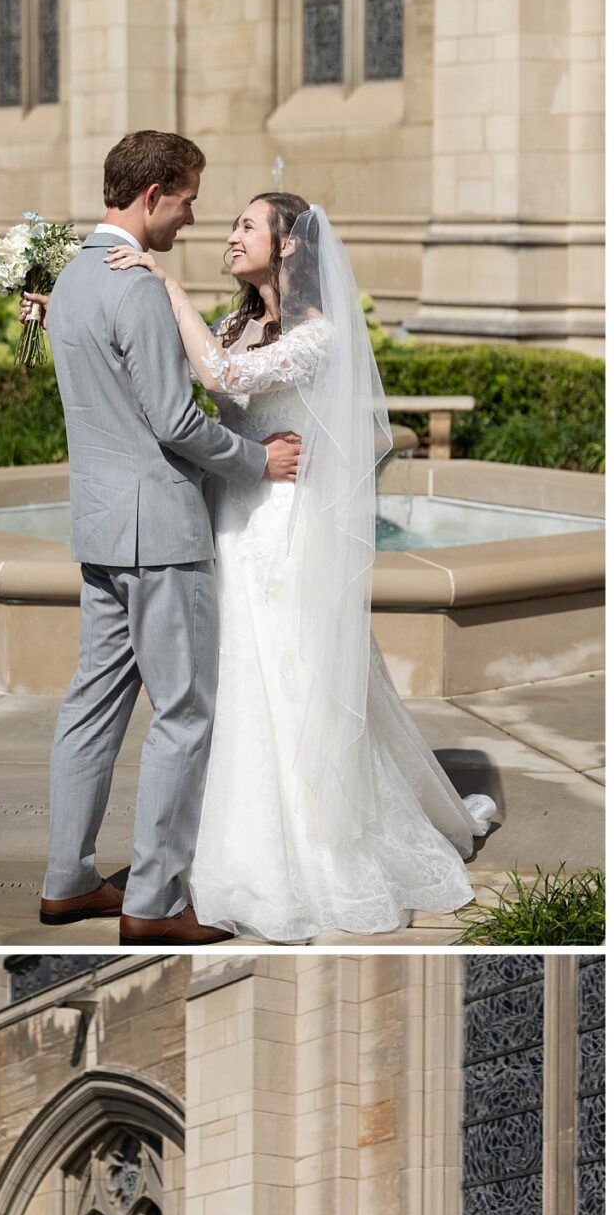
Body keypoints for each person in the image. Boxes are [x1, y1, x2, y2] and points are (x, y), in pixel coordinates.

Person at [81, 198, 498, 938]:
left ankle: (303, 848)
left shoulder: (319, 335)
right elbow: (169, 361)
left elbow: (219, 378)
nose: (232, 236)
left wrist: (164, 285)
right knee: (226, 679)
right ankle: (198, 844)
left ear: (290, 248)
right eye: (234, 225)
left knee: (290, 673)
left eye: (248, 225)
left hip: (281, 526)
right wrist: (71, 306)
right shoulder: (238, 320)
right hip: (224, 518)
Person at [32, 130, 299, 946]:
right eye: (186, 199)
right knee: (183, 712)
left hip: (100, 528)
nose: (192, 216)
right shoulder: (136, 289)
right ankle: (152, 899)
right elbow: (176, 420)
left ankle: (67, 881)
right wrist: (258, 460)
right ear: (153, 196)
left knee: (90, 706)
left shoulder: (72, 281)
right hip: (160, 535)